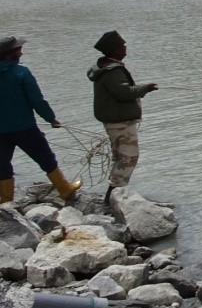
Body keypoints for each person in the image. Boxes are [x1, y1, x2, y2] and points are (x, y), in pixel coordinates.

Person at [0, 35, 83, 204]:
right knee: (45, 157)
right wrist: (51, 118)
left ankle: (6, 200)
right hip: (25, 128)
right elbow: (37, 100)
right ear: (11, 54)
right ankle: (64, 189)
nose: (21, 53)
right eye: (18, 51)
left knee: (2, 163)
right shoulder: (22, 73)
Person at [88, 30, 158, 204]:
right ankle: (112, 197)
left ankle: (113, 196)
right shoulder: (113, 71)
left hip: (115, 121)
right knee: (128, 158)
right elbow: (124, 93)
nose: (125, 49)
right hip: (120, 123)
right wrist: (145, 88)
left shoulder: (105, 68)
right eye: (122, 46)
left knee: (121, 157)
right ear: (114, 50)